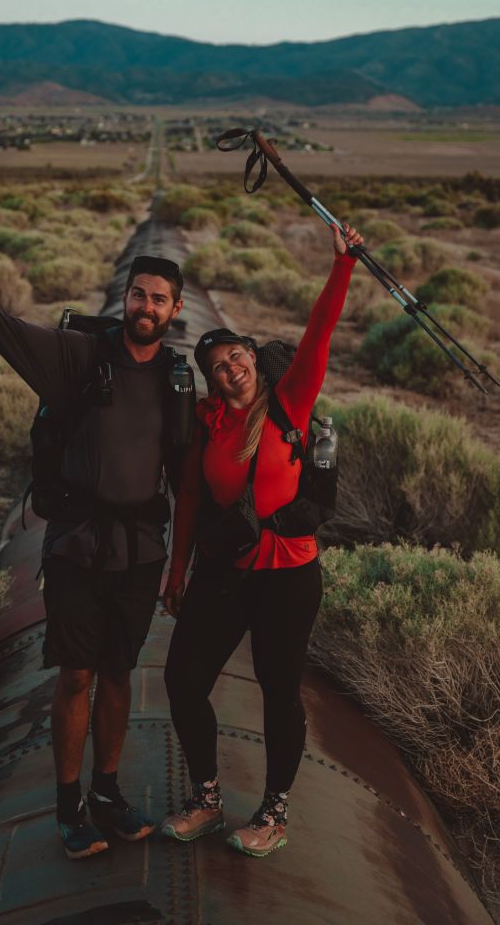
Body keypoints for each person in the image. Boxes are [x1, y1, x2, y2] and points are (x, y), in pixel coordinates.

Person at [0, 206, 185, 861]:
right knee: (76, 676)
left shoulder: (179, 380)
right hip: (77, 545)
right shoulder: (77, 355)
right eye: (139, 294)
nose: (146, 306)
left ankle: (108, 794)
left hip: (142, 550)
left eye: (159, 299)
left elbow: (197, 468)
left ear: (174, 310)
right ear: (126, 298)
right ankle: (70, 808)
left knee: (119, 674)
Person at [160, 220, 363, 858]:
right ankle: (207, 800)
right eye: (217, 367)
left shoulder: (290, 404)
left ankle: (273, 812)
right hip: (226, 571)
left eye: (237, 356)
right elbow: (189, 501)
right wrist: (175, 572)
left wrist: (342, 265)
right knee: (183, 679)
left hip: (289, 575)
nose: (231, 369)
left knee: (280, 691)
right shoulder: (207, 426)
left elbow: (319, 333)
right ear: (210, 379)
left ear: (252, 354)